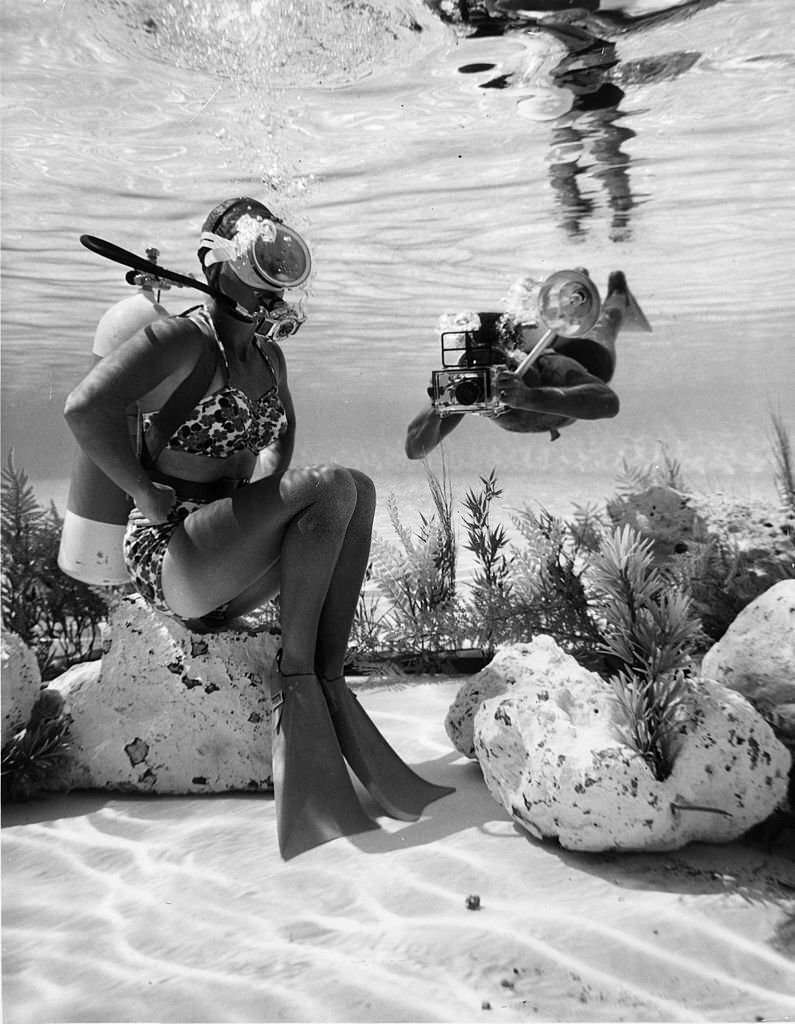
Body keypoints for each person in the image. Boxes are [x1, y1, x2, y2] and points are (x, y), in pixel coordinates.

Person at [65, 197, 452, 859]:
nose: (272, 275)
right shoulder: (183, 338)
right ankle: (298, 680)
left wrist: (256, 496)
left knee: (354, 489)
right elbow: (85, 408)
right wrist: (142, 491)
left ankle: (325, 679)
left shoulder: (269, 360)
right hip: (170, 555)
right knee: (331, 485)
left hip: (223, 556)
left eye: (281, 261)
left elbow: (280, 440)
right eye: (261, 259)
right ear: (219, 264)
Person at [405, 270, 649, 460]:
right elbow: (415, 450)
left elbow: (608, 403)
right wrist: (438, 408)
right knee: (577, 326)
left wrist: (529, 397)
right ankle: (573, 294)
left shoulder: (552, 366)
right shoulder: (469, 383)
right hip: (548, 390)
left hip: (589, 360)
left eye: (500, 373)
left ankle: (617, 293)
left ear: (516, 359)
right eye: (482, 375)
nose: (489, 385)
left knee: (606, 325)